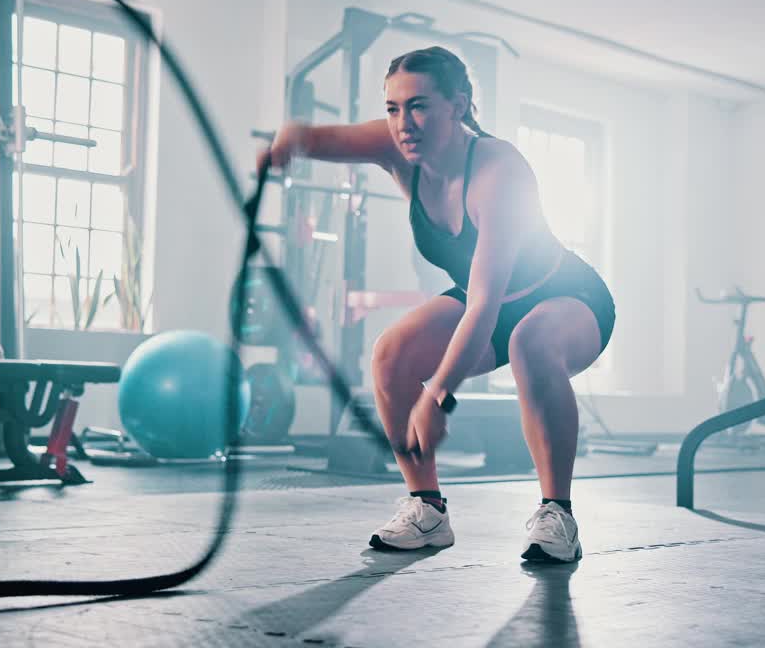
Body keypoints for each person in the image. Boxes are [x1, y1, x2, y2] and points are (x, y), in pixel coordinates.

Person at [256, 46, 615, 563]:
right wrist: (288, 142)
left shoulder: (499, 172)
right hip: (483, 297)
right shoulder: (398, 144)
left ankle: (557, 514)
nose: (405, 123)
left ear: (459, 105)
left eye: (420, 105)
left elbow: (486, 303)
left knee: (529, 343)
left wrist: (438, 394)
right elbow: (312, 137)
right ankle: (427, 509)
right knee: (390, 355)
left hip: (564, 295)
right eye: (393, 108)